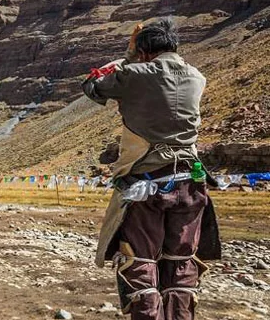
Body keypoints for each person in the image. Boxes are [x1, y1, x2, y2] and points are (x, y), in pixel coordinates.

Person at [82, 18, 220, 320]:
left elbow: (92, 87)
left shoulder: (134, 74)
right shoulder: (197, 76)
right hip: (191, 184)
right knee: (181, 265)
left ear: (144, 51)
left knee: (140, 265)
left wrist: (129, 55)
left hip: (147, 186)